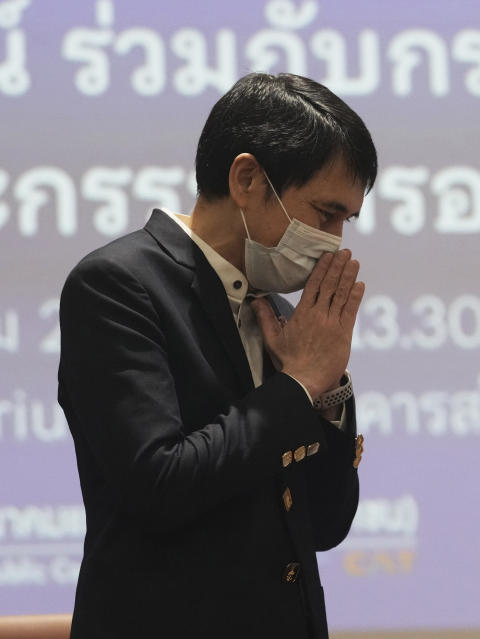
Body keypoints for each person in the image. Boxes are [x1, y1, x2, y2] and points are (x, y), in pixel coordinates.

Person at [58, 73, 376, 639]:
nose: (334, 240)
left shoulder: (278, 312)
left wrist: (327, 391)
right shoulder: (118, 284)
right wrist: (299, 384)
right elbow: (160, 483)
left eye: (345, 220)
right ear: (248, 178)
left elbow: (325, 524)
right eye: (325, 212)